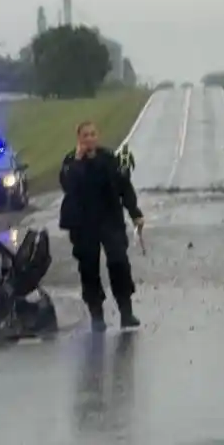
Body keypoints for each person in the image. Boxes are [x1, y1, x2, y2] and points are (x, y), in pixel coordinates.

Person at [59, 121, 145, 332]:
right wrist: (79, 161)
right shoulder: (70, 162)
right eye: (85, 136)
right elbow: (68, 185)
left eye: (92, 135)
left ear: (97, 137)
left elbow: (124, 187)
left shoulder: (108, 159)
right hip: (83, 224)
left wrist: (135, 213)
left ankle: (126, 312)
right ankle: (96, 315)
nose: (89, 139)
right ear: (78, 139)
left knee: (119, 263)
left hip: (110, 220)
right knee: (88, 269)